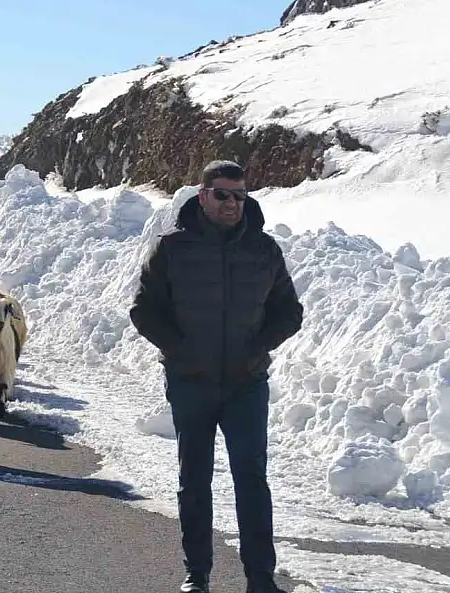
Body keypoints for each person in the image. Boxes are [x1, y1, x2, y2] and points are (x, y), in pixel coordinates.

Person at [129, 160, 303, 593]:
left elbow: (290, 311)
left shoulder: (264, 250)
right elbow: (143, 310)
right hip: (192, 382)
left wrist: (259, 347)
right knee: (195, 480)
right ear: (203, 195)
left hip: (246, 383)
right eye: (223, 194)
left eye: (240, 196)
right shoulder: (172, 248)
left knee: (252, 478)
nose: (232, 203)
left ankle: (261, 579)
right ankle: (197, 576)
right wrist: (180, 350)